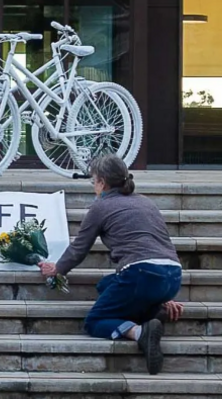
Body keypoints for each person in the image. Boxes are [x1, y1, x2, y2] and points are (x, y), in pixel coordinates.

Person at [38, 155, 184, 375]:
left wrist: (57, 269)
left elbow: (79, 249)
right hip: (172, 275)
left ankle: (138, 332)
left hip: (141, 274)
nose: (93, 186)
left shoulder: (101, 207)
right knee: (105, 286)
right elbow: (159, 247)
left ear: (102, 182)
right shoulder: (146, 202)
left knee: (95, 321)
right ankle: (155, 310)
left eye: (93, 181)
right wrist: (163, 292)